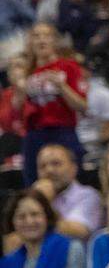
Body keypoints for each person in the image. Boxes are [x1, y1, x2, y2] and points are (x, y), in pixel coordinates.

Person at [17, 22, 87, 183]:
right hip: (34, 134)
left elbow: (82, 106)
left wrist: (61, 86)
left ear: (54, 41)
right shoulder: (28, 72)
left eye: (46, 35)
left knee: (70, 180)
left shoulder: (69, 67)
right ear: (30, 42)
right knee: (34, 183)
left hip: (62, 131)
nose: (41, 40)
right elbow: (20, 110)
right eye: (36, 36)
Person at [33, 144, 103, 241]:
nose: (49, 170)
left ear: (73, 168)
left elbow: (78, 232)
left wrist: (43, 202)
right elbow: (13, 241)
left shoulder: (88, 195)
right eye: (42, 166)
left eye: (56, 163)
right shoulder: (32, 196)